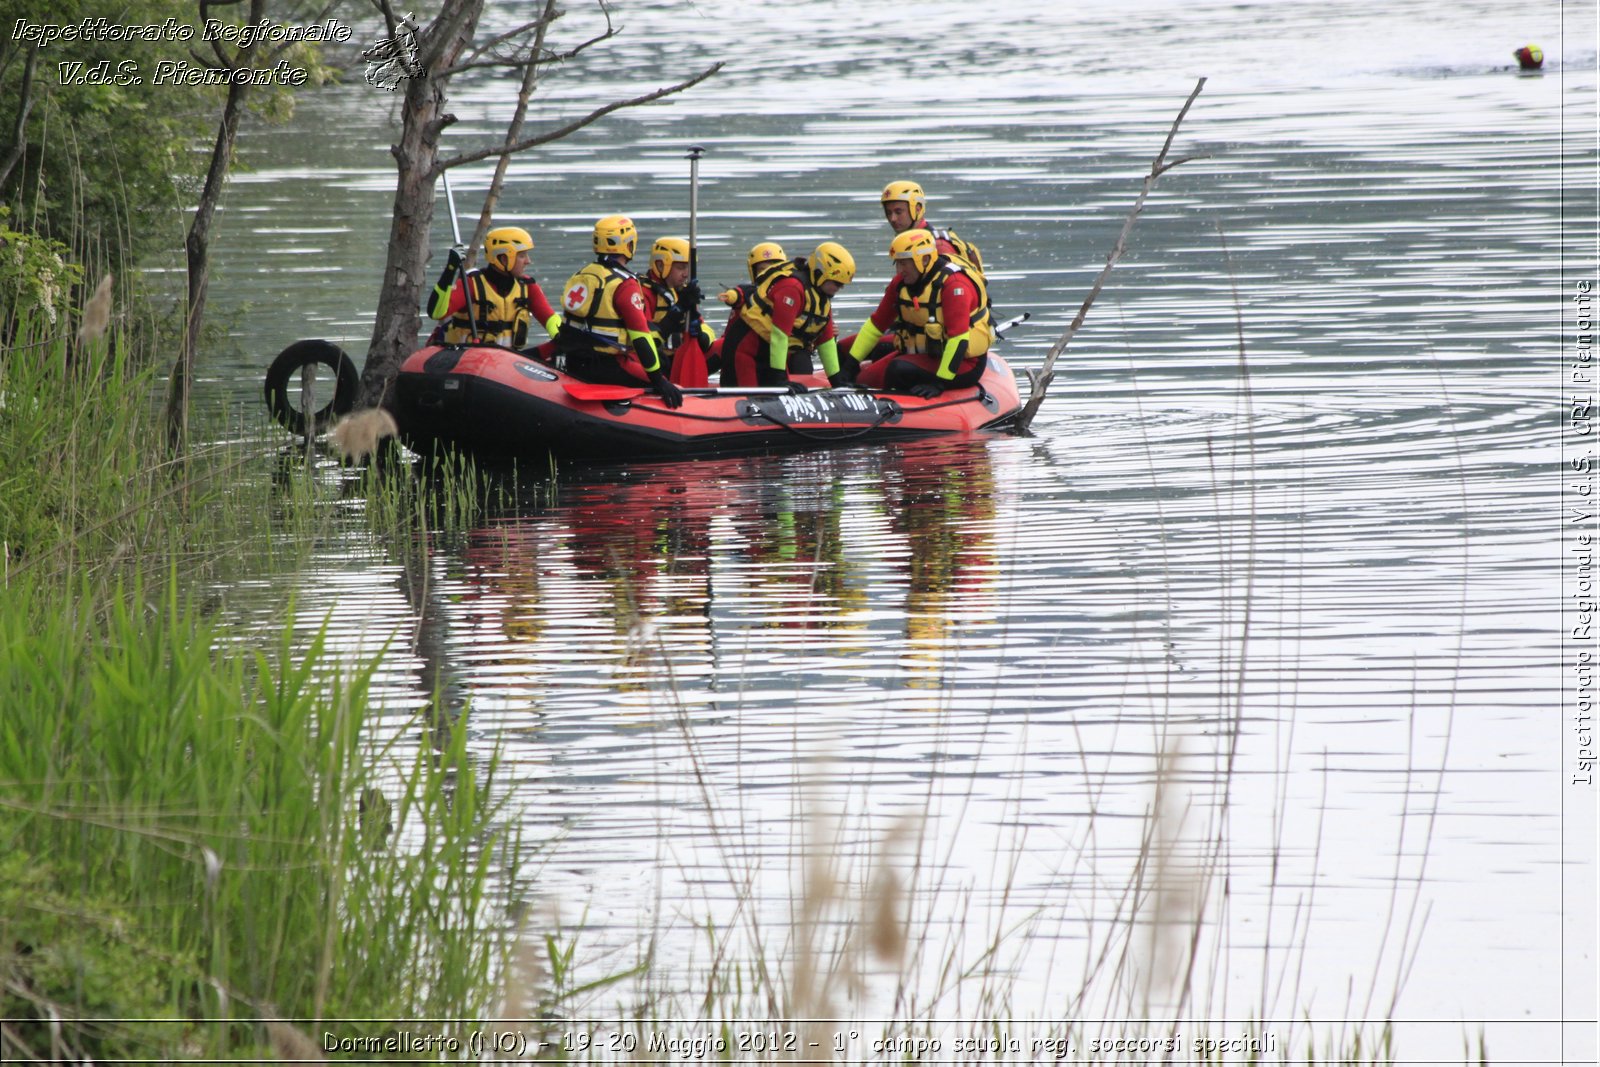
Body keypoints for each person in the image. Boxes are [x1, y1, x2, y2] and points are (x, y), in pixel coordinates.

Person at [846, 229, 994, 398]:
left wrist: (940, 382)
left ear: (924, 260)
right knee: (863, 379)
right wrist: (850, 365)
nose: (899, 270)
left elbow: (958, 339)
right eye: (897, 263)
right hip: (925, 354)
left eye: (904, 263)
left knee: (898, 369)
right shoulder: (900, 283)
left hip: (965, 363)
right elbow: (876, 325)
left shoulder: (954, 285)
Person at [556, 215, 683, 408]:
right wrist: (659, 380)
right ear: (628, 245)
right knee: (669, 382)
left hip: (573, 362)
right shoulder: (625, 284)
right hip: (605, 365)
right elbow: (641, 337)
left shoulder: (582, 274)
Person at [719, 241, 856, 391]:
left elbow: (826, 340)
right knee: (750, 396)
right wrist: (780, 380)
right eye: (836, 283)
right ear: (820, 274)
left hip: (770, 353)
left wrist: (837, 382)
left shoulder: (822, 298)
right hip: (745, 349)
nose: (839, 288)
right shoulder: (792, 288)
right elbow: (779, 334)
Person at [426, 226, 561, 349]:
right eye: (522, 256)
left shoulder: (527, 287)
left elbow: (550, 318)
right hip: (466, 359)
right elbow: (436, 312)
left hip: (507, 362)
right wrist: (451, 269)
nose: (528, 261)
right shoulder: (472, 284)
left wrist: (562, 337)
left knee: (556, 347)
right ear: (503, 259)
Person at [879, 179, 986, 280]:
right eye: (888, 213)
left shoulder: (939, 246)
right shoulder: (909, 243)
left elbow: (955, 285)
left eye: (898, 212)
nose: (892, 219)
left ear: (917, 209)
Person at [640, 236, 715, 361]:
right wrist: (677, 312)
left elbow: (707, 330)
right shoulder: (643, 293)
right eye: (680, 268)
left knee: (723, 346)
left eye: (688, 268)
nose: (686, 274)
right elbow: (645, 342)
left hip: (678, 358)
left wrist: (701, 335)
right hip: (654, 361)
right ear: (660, 266)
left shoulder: (684, 293)